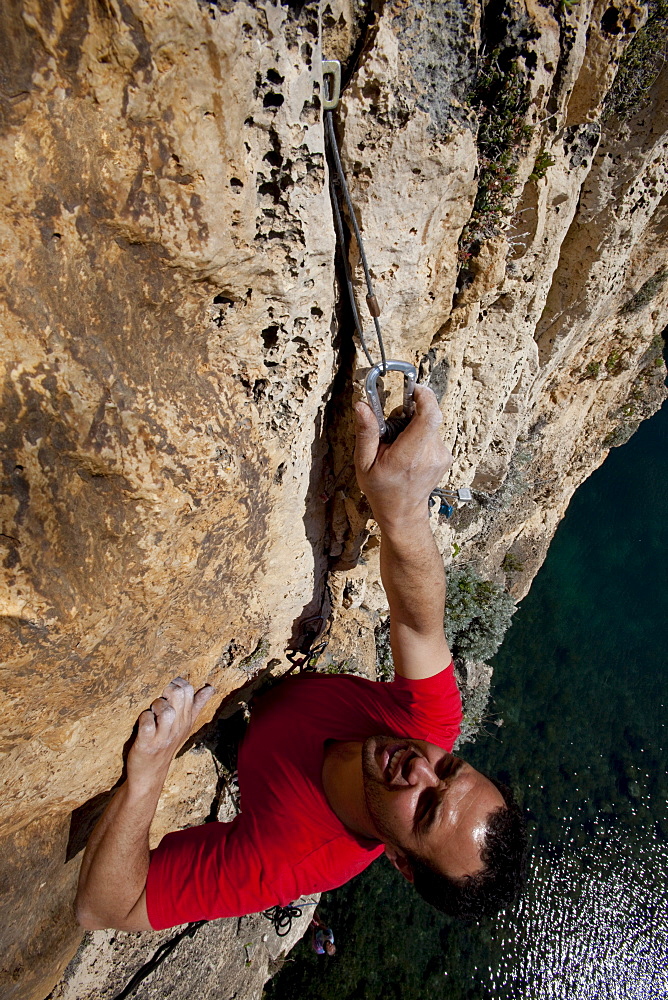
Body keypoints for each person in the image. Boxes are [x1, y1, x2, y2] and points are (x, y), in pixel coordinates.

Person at [75, 386, 526, 932]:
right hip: (272, 690)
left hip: (239, 735)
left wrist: (147, 778)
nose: (422, 767)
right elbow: (415, 618)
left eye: (426, 810)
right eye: (450, 767)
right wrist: (402, 508)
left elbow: (106, 907)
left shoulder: (297, 855)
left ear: (400, 861)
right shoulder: (430, 723)